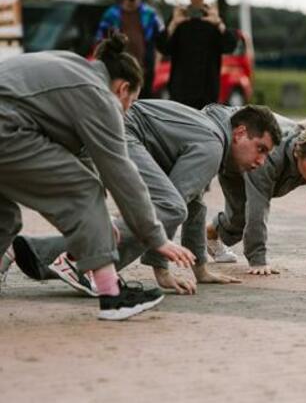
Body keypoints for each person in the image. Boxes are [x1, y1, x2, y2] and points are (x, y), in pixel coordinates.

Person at [0, 33, 194, 320]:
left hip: (10, 124)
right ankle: (112, 296)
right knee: (83, 189)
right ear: (123, 88)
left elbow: (81, 156)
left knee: (5, 217)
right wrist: (156, 238)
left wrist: (99, 219)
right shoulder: (98, 94)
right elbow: (120, 171)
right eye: (132, 102)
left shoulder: (73, 67)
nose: (127, 113)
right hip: (7, 129)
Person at [4, 100, 283, 295]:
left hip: (109, 126)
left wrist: (200, 269)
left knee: (174, 205)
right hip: (119, 131)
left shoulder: (212, 133)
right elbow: (169, 207)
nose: (261, 161)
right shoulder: (212, 145)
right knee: (169, 207)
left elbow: (194, 204)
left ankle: (31, 252)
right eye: (261, 149)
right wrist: (161, 271)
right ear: (240, 133)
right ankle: (83, 265)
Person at [205, 112, 306, 275]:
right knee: (239, 219)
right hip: (238, 154)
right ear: (298, 153)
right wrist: (258, 260)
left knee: (240, 219)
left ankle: (210, 232)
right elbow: (258, 208)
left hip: (266, 160)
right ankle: (209, 234)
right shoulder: (268, 157)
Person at [165, 0, 237, 109]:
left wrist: (218, 23)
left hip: (207, 92)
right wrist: (173, 24)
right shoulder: (179, 17)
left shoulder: (214, 17)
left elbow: (230, 46)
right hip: (180, 91)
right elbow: (163, 47)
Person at [95, 0, 167, 98]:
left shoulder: (150, 14)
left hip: (144, 70)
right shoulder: (111, 14)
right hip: (119, 70)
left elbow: (161, 41)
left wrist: (156, 64)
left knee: (142, 103)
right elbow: (99, 40)